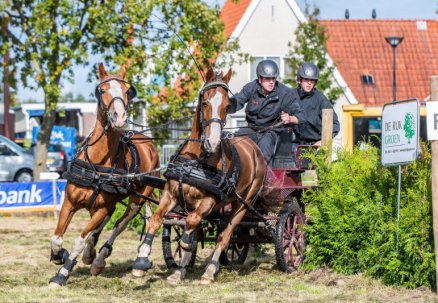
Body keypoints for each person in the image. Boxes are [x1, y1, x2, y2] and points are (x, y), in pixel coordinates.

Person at [231, 59, 305, 163]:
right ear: (259, 79)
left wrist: (290, 118)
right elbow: (237, 102)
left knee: (263, 153)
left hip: (270, 131)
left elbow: (301, 116)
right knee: (232, 141)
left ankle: (267, 178)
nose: (271, 82)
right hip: (251, 129)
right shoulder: (251, 87)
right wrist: (225, 106)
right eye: (267, 78)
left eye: (273, 78)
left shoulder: (285, 93)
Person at [292, 62, 340, 146]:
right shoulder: (290, 96)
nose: (309, 83)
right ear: (300, 80)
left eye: (312, 80)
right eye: (306, 79)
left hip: (315, 144)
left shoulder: (321, 100)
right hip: (293, 144)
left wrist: (323, 141)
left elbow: (335, 125)